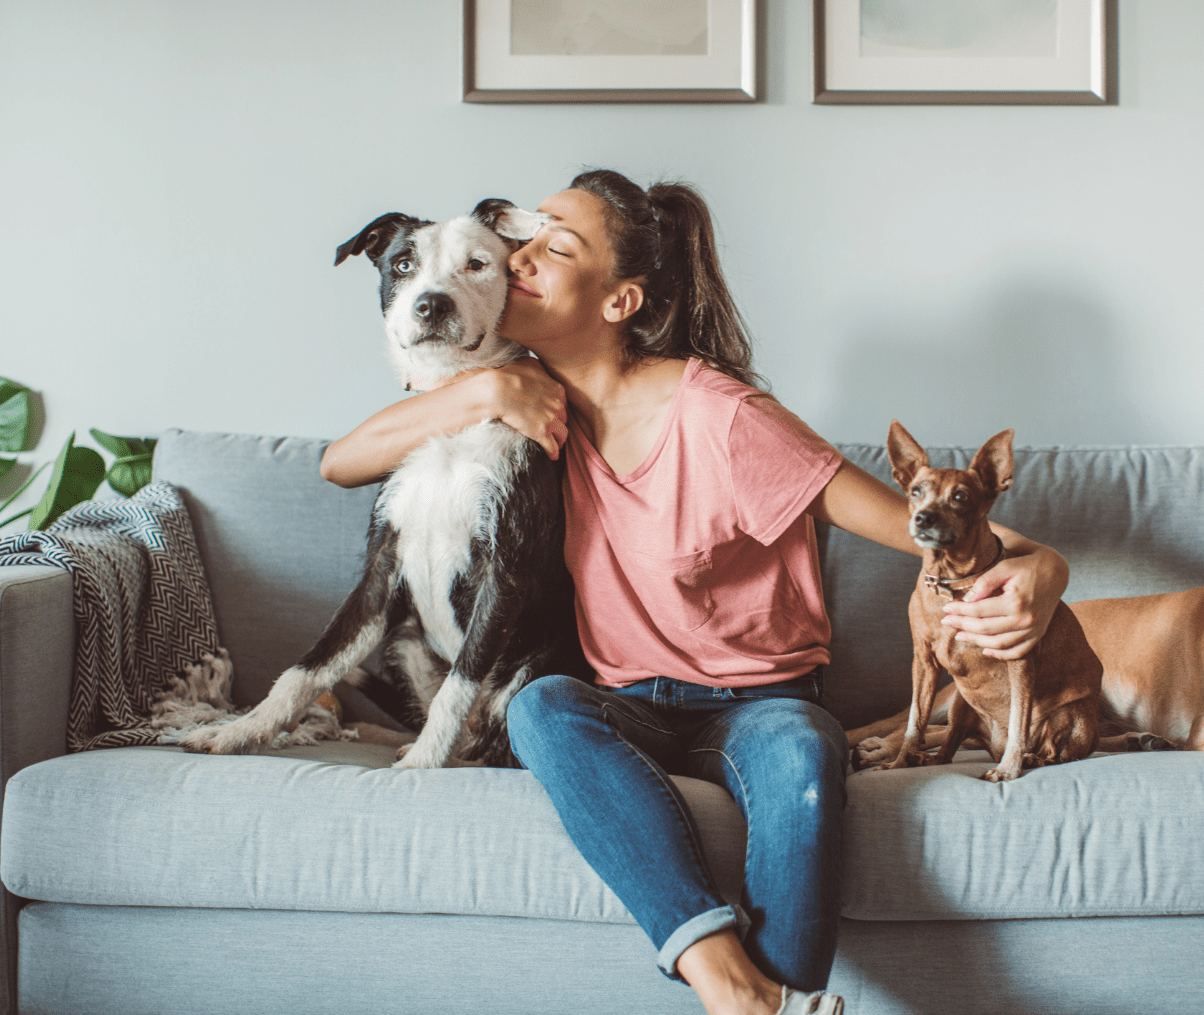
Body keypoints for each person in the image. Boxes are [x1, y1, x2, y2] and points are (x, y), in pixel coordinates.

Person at [320, 169, 1068, 1015]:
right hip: (624, 700)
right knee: (540, 711)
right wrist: (486, 388)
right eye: (524, 241)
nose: (520, 256)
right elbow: (340, 463)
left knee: (802, 760)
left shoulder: (724, 417)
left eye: (554, 247)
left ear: (619, 302)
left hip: (757, 702)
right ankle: (734, 986)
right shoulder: (523, 396)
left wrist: (1045, 566)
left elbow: (920, 528)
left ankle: (770, 995)